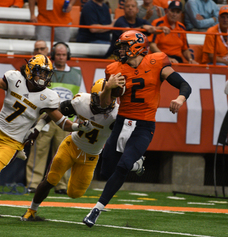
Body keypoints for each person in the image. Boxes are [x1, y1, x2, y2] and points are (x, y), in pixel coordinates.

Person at [0, 54, 93, 221]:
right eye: (40, 72)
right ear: (30, 70)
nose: (43, 77)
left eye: (46, 73)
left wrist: (76, 127)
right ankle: (18, 153)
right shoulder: (15, 79)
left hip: (12, 142)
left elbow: (60, 121)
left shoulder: (48, 96)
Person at [82, 30, 191, 227]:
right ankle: (136, 163)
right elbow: (106, 104)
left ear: (136, 46)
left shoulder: (156, 61)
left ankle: (96, 209)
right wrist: (108, 87)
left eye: (124, 46)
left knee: (123, 166)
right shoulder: (114, 68)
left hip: (144, 125)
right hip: (122, 123)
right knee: (106, 171)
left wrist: (180, 98)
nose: (121, 50)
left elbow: (184, 85)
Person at [21, 77, 146, 221]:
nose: (103, 103)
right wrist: (38, 127)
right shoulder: (81, 101)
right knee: (51, 179)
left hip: (91, 156)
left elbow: (128, 139)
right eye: (99, 98)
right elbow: (53, 111)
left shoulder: (115, 116)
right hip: (71, 145)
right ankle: (32, 210)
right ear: (93, 96)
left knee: (75, 193)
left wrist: (134, 160)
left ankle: (136, 164)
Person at [26, 42, 84, 194]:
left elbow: (81, 97)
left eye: (64, 54)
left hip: (66, 118)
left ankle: (61, 185)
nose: (61, 57)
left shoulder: (77, 74)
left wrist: (78, 117)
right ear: (53, 55)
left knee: (64, 154)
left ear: (68, 55)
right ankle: (33, 183)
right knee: (38, 151)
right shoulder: (45, 71)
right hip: (46, 116)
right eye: (58, 54)